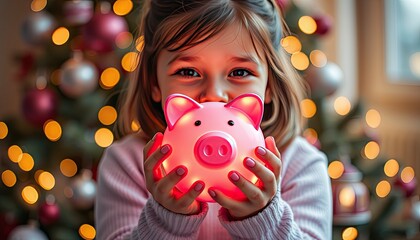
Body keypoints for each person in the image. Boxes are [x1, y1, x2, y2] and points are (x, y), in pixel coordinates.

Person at [95, 0, 332, 239]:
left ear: (269, 84)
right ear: (154, 82)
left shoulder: (301, 165)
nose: (215, 95)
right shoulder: (126, 164)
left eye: (240, 72)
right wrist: (167, 220)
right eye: (188, 72)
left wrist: (262, 219)